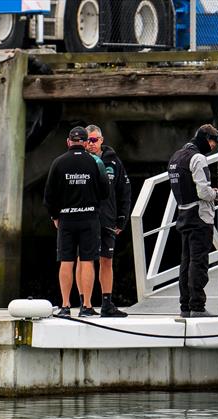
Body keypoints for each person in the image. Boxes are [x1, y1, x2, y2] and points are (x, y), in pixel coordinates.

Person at [44, 126, 110, 317]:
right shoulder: (95, 162)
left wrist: (55, 216)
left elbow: (49, 196)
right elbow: (105, 191)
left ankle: (65, 305)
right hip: (89, 218)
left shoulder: (58, 163)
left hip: (66, 218)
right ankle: (86, 305)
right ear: (85, 142)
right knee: (87, 261)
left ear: (68, 142)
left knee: (66, 260)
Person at [75, 124, 130, 317]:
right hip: (84, 218)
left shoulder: (114, 162)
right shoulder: (78, 161)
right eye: (87, 140)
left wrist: (122, 218)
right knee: (83, 260)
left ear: (101, 140)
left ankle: (107, 303)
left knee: (107, 260)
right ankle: (85, 302)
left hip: (107, 218)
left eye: (94, 140)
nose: (91, 144)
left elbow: (124, 191)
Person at [168, 124, 218, 318]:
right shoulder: (197, 158)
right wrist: (216, 193)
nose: (214, 146)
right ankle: (197, 306)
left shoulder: (176, 157)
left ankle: (185, 307)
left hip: (183, 213)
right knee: (198, 262)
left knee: (185, 262)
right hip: (200, 216)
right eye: (213, 141)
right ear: (205, 138)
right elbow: (202, 191)